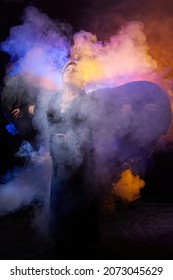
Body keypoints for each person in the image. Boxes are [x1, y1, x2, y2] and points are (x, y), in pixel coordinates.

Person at [46, 60, 99, 256]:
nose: (70, 70)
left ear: (83, 80)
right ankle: (60, 241)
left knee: (78, 200)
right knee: (59, 195)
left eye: (75, 68)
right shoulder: (54, 100)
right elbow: (48, 126)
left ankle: (78, 247)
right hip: (58, 157)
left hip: (82, 159)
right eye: (67, 68)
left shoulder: (90, 101)